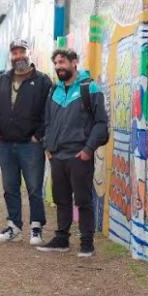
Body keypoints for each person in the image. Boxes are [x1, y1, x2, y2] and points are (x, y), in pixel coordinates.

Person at [37, 48, 109, 257]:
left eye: (63, 62)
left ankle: (87, 243)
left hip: (80, 156)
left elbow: (101, 124)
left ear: (74, 62)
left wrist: (88, 150)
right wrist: (48, 147)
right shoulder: (54, 91)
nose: (59, 67)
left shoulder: (90, 88)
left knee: (83, 200)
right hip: (57, 155)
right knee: (61, 199)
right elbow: (47, 121)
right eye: (56, 63)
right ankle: (61, 239)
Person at [0, 39, 52, 245]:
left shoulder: (42, 81)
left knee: (34, 187)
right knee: (10, 187)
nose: (19, 56)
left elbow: (48, 112)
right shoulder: (3, 79)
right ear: (11, 55)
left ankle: (36, 228)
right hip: (6, 144)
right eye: (15, 52)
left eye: (22, 52)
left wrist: (38, 135)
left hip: (30, 144)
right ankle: (13, 227)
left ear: (29, 52)